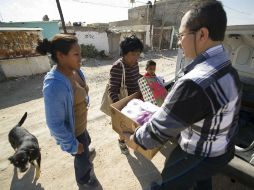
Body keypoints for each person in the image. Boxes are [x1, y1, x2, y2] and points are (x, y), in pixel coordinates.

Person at [123, 1, 242, 190]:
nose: (178, 42)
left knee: (168, 184)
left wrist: (133, 137)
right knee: (202, 181)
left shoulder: (195, 82)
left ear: (202, 34)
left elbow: (157, 132)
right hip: (223, 151)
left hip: (197, 155)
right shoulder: (229, 69)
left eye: (181, 35)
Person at [37, 34, 97, 188]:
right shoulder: (54, 86)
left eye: (80, 54)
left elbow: (81, 93)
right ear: (60, 56)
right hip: (74, 133)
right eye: (76, 54)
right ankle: (84, 180)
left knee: (86, 142)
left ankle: (85, 156)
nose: (80, 58)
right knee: (81, 158)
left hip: (81, 126)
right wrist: (72, 145)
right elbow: (55, 124)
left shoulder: (75, 71)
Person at [109, 35, 144, 155]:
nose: (136, 57)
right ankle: (121, 142)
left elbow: (136, 76)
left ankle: (133, 141)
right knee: (123, 127)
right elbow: (112, 90)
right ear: (124, 53)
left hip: (135, 101)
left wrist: (147, 79)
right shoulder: (118, 67)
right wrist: (119, 110)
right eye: (133, 54)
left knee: (134, 125)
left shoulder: (135, 63)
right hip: (124, 104)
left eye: (138, 54)